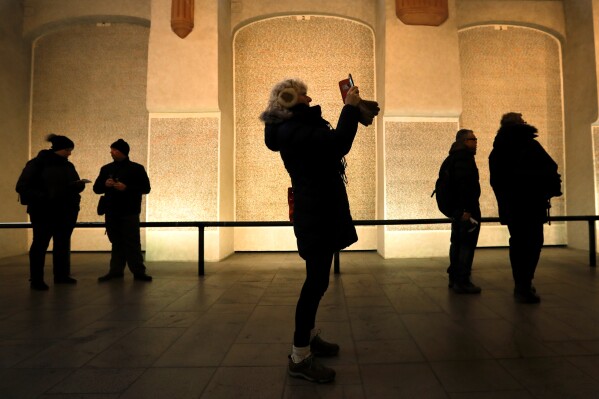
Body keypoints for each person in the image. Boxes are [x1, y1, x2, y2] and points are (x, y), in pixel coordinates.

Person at [260, 78, 362, 383]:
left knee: (317, 282)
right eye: (303, 94)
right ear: (291, 99)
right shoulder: (294, 130)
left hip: (319, 209)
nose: (309, 97)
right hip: (316, 212)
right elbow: (337, 145)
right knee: (314, 282)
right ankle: (300, 356)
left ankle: (309, 335)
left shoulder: (296, 126)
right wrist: (349, 109)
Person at [489, 113, 562, 303]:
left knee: (519, 244)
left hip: (513, 207)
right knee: (533, 244)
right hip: (532, 204)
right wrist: (545, 189)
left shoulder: (497, 151)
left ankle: (521, 284)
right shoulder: (530, 145)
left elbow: (497, 182)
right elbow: (550, 168)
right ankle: (525, 283)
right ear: (519, 125)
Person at [16, 134, 87, 290]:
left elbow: (72, 183)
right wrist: (46, 196)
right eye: (68, 149)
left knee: (62, 243)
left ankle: (61, 276)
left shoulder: (68, 166)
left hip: (66, 210)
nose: (70, 153)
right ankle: (37, 279)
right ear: (60, 149)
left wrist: (79, 186)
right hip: (43, 211)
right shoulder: (37, 164)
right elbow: (22, 187)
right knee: (40, 244)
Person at [93, 139, 152, 282]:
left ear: (123, 152)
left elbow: (146, 188)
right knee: (116, 242)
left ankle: (138, 271)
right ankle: (116, 271)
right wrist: (105, 184)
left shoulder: (137, 168)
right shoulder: (106, 168)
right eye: (111, 149)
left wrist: (127, 188)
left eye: (115, 150)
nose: (111, 152)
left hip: (129, 210)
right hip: (112, 210)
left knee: (132, 242)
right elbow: (96, 188)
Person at [445, 129, 482, 294]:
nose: (476, 142)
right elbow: (464, 187)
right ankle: (462, 281)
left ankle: (454, 278)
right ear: (463, 141)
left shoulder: (453, 157)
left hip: (457, 211)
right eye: (472, 139)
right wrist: (466, 210)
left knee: (457, 243)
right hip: (466, 211)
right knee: (466, 245)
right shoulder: (463, 159)